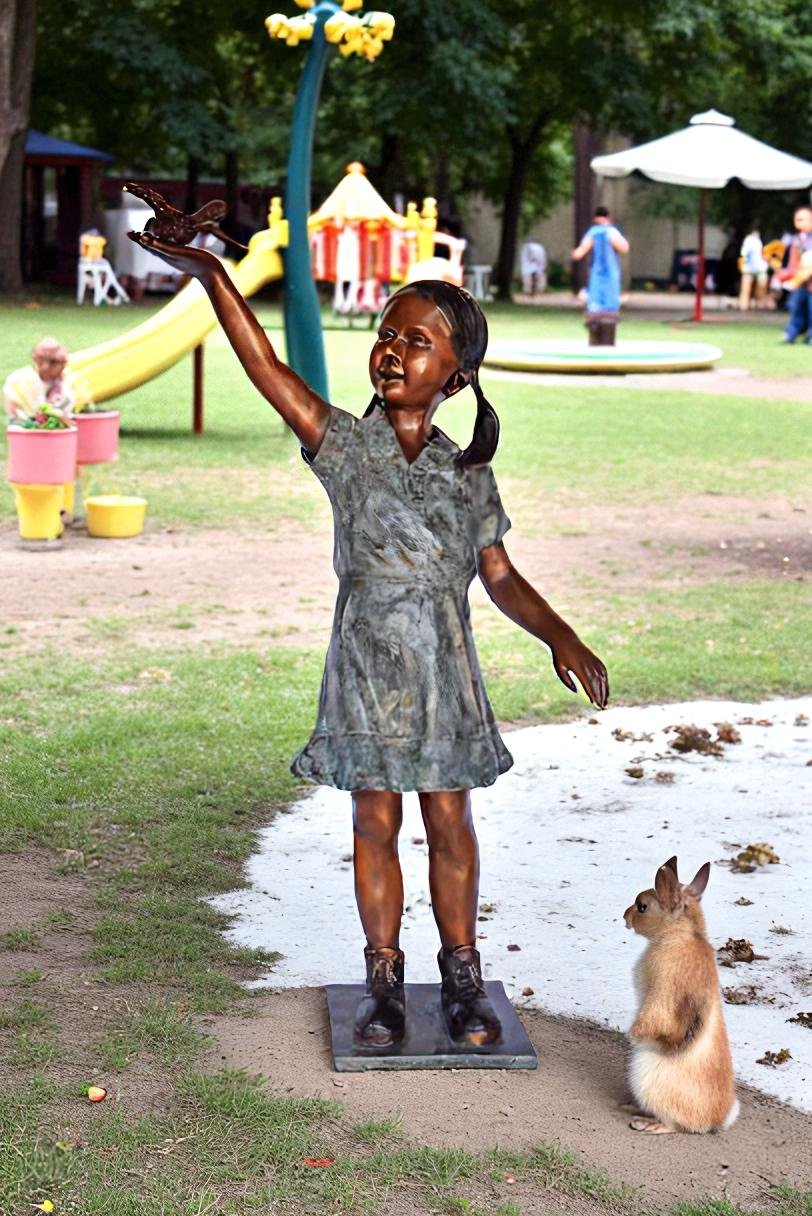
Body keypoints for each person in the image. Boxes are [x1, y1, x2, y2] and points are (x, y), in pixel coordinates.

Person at [129, 216, 609, 1051]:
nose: (392, 350)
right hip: (365, 670)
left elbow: (497, 575)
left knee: (451, 823)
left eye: (417, 342)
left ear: (456, 375)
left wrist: (558, 632)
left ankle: (462, 979)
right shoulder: (344, 448)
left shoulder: (468, 474)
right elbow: (267, 369)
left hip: (444, 677)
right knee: (374, 823)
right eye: (387, 334)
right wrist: (211, 272)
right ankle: (382, 980)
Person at [571, 206, 629, 346]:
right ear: (608, 217)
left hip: (596, 272)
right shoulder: (611, 231)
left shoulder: (593, 232)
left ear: (595, 218)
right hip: (611, 273)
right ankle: (609, 333)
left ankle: (594, 330)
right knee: (610, 303)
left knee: (594, 302)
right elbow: (625, 248)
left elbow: (579, 253)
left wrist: (574, 253)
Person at [3, 337, 77, 423]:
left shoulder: (70, 378)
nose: (64, 365)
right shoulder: (19, 381)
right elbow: (15, 415)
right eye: (58, 362)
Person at [780, 205, 812, 344]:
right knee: (797, 308)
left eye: (802, 219)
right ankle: (791, 334)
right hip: (800, 282)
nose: (799, 222)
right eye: (797, 219)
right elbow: (791, 263)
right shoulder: (796, 240)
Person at [738, 227, 769, 311]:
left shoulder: (753, 241)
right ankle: (745, 306)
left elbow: (743, 253)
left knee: (759, 288)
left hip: (758, 268)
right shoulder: (750, 241)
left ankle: (749, 305)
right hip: (751, 268)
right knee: (747, 288)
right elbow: (744, 253)